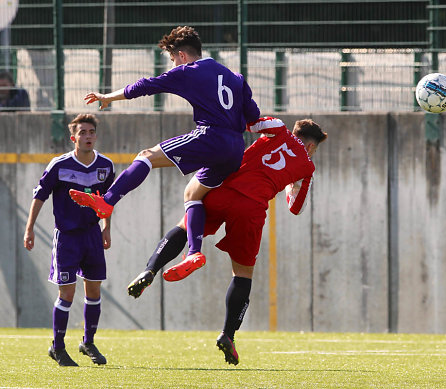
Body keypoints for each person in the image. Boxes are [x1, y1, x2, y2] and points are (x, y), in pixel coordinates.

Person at [127, 116, 327, 365]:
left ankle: (150, 269)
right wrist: (288, 185)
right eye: (315, 149)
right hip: (251, 208)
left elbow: (243, 124)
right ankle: (228, 334)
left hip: (224, 188)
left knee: (186, 223)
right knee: (242, 273)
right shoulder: (307, 168)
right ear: (311, 146)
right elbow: (295, 208)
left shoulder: (278, 129)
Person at [69, 26, 260, 281]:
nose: (172, 66)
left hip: (211, 136)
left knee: (146, 156)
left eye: (171, 60)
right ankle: (193, 251)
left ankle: (108, 201)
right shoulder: (235, 77)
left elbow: (146, 85)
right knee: (193, 193)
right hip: (236, 148)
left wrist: (108, 97)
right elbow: (254, 116)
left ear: (181, 55)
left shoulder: (188, 71)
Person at [23, 114, 115, 367]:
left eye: (91, 132)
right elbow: (40, 196)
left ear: (96, 135)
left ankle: (88, 342)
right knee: (67, 292)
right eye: (82, 132)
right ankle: (58, 347)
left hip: (92, 235)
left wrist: (106, 228)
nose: (87, 136)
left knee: (94, 291)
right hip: (67, 238)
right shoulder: (59, 165)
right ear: (73, 137)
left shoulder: (105, 166)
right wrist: (29, 228)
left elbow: (107, 202)